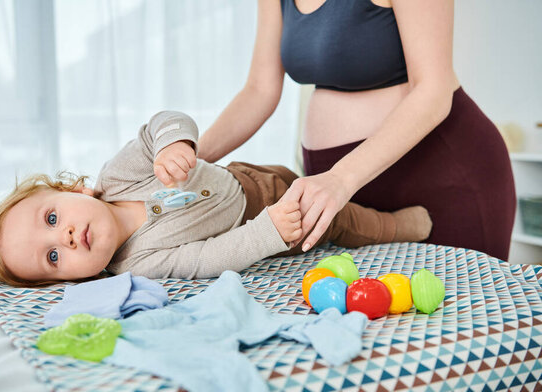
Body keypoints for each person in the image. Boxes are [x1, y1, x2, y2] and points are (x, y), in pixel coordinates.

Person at [197, 0, 516, 261]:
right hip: (347, 195)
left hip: (441, 180)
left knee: (451, 327)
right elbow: (259, 90)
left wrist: (340, 178)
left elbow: (434, 89)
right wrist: (191, 159)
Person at [0, 111, 431, 287]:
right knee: (342, 220)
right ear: (68, 281)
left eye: (52, 217)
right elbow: (210, 257)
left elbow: (158, 125)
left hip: (249, 173)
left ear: (74, 188)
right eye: (52, 256)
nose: (66, 237)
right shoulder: (138, 264)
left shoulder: (118, 176)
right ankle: (404, 226)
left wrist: (175, 145)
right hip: (267, 215)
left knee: (308, 177)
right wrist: (269, 231)